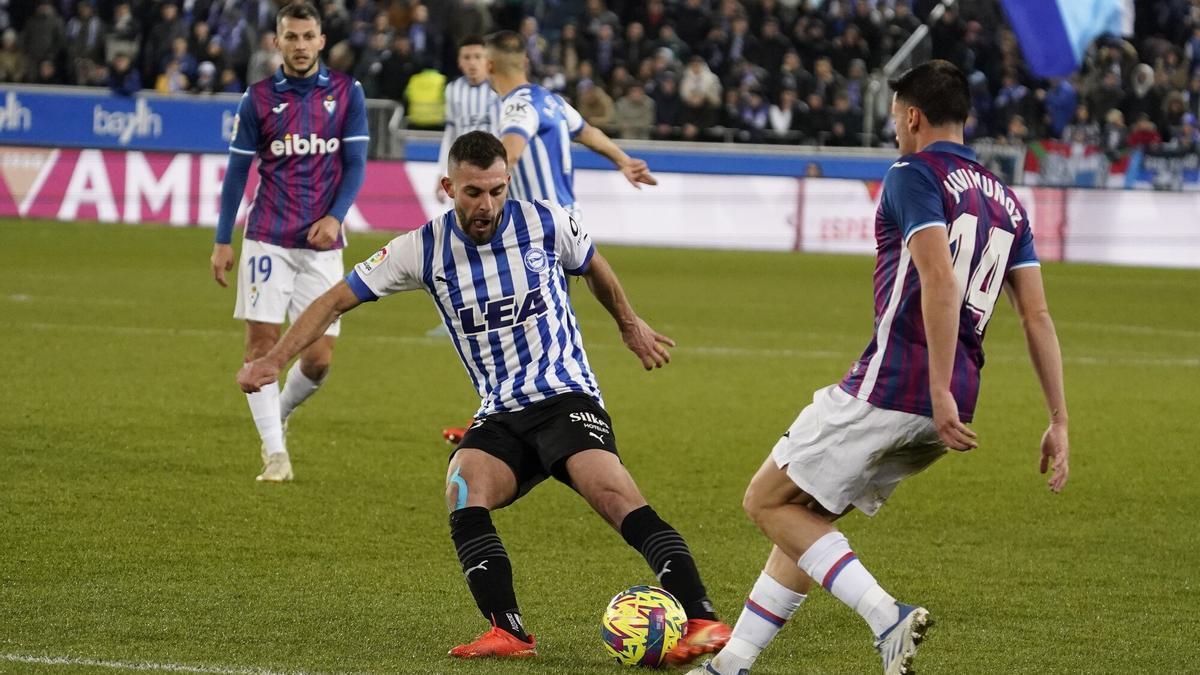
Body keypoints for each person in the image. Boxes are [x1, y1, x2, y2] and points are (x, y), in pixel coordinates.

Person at [237, 131, 732, 664]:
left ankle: (701, 617)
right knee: (463, 489)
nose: (487, 205)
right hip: (499, 410)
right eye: (474, 192)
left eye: (497, 190)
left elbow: (594, 267)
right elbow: (334, 299)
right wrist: (274, 359)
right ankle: (510, 630)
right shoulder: (420, 248)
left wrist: (629, 324)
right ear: (449, 187)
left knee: (614, 498)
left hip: (565, 396)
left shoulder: (547, 222)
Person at [691, 60, 1070, 675]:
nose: (895, 127)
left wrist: (937, 388)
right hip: (950, 402)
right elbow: (1037, 317)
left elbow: (939, 280)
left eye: (896, 115)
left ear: (913, 115)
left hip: (897, 383)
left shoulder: (911, 174)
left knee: (764, 501)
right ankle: (730, 664)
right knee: (806, 520)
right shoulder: (1010, 203)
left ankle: (886, 617)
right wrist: (1058, 419)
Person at [440, 29, 656, 444]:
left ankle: (569, 423)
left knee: (514, 330)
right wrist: (624, 161)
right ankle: (508, 419)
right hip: (565, 229)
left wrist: (479, 181)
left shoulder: (516, 105)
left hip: (538, 237)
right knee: (528, 332)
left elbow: (512, 148)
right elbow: (586, 130)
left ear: (489, 65)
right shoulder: (550, 99)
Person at [209, 1, 368, 483]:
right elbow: (238, 172)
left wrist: (336, 217)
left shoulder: (346, 93)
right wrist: (222, 240)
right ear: (276, 42)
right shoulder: (256, 99)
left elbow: (357, 164)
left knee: (318, 359)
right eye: (291, 37)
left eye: (308, 37)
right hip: (268, 238)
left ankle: (276, 415)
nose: (300, 46)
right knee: (262, 343)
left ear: (321, 40)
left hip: (322, 243)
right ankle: (275, 454)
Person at [426, 34, 501, 339]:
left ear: (488, 61)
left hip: (494, 183)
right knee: (460, 245)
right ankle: (457, 318)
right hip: (464, 183)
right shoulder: (454, 90)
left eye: (477, 57)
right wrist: (440, 172)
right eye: (467, 58)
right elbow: (451, 133)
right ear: (460, 61)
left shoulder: (498, 91)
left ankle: (498, 312)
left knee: (495, 246)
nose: (472, 64)